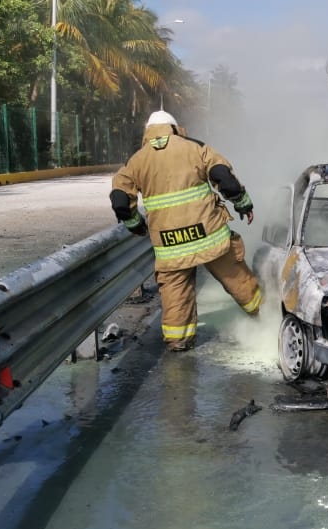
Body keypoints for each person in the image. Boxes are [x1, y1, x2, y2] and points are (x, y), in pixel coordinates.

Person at [109, 110, 263, 352]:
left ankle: (179, 341)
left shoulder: (136, 161)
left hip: (171, 248)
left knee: (175, 298)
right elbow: (223, 176)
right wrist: (243, 203)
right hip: (210, 238)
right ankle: (262, 315)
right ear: (174, 127)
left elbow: (120, 200)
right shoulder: (195, 148)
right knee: (241, 283)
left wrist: (137, 226)